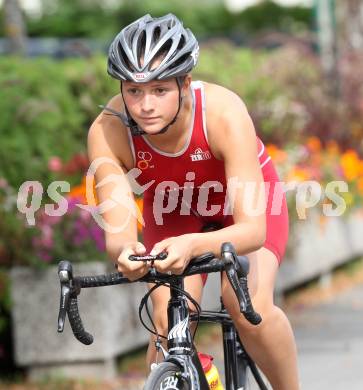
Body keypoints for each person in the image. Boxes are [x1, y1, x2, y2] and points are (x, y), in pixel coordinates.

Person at [88, 13, 299, 389]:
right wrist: (128, 253)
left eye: (159, 90)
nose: (145, 105)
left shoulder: (222, 112)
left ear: (185, 83)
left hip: (244, 206)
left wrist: (192, 245)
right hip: (174, 210)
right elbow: (118, 231)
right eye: (133, 91)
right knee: (167, 322)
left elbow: (251, 230)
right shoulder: (108, 131)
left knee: (248, 306)